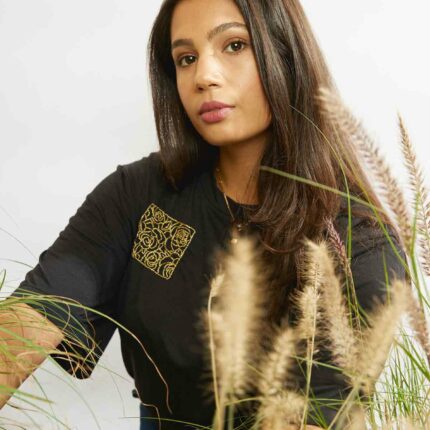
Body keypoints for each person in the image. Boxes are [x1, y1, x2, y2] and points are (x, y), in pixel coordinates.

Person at [2, 0, 406, 429]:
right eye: (186, 58)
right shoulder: (141, 197)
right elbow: (31, 317)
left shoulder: (355, 242)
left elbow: (313, 416)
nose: (203, 76)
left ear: (285, 55)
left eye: (234, 45)